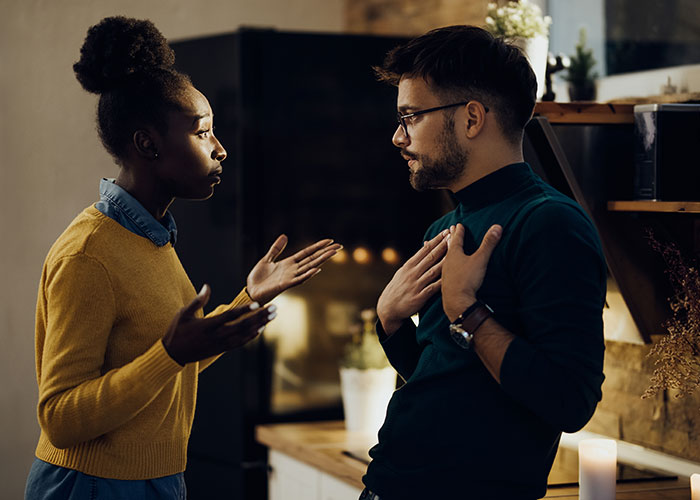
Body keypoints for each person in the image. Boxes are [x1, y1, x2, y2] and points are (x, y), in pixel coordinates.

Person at [25, 16, 340, 500]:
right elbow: (61, 417)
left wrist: (248, 301)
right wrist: (169, 353)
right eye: (202, 133)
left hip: (158, 480)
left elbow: (174, 358)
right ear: (147, 144)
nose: (221, 150)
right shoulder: (88, 255)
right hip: (91, 486)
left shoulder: (152, 238)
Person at [363, 25, 607, 499]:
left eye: (410, 116)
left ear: (472, 119)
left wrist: (466, 309)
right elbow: (449, 381)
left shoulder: (551, 224)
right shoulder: (443, 230)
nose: (397, 136)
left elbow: (569, 401)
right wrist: (391, 323)